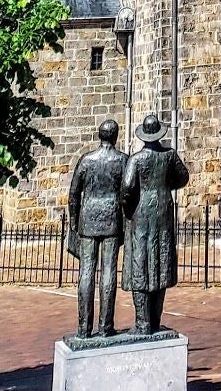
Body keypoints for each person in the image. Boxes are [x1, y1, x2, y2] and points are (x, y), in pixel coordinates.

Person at [121, 112, 190, 335]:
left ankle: (143, 322)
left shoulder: (137, 159)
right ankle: (154, 320)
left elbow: (128, 187)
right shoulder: (169, 156)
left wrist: (127, 207)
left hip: (141, 213)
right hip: (163, 210)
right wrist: (164, 185)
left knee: (140, 264)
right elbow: (183, 177)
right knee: (160, 263)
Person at [67, 119, 128, 338]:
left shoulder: (87, 160)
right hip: (111, 218)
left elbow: (74, 194)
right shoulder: (122, 160)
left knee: (86, 272)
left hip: (89, 218)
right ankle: (105, 326)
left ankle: (84, 328)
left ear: (99, 135)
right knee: (109, 271)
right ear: (116, 136)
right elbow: (128, 192)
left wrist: (74, 222)